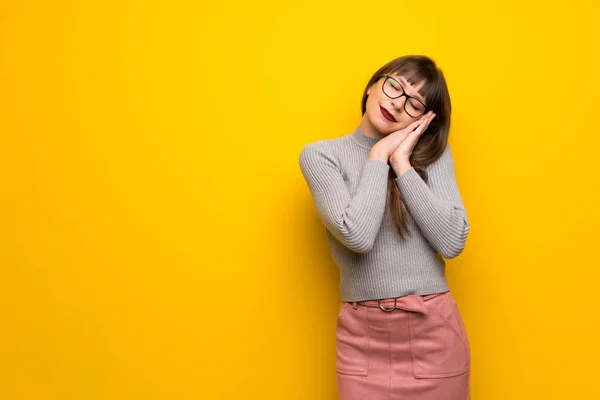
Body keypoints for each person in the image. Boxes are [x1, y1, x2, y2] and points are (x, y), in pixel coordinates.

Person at [298, 55, 471, 400]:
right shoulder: (321, 156)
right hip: (362, 339)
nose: (397, 103)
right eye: (394, 86)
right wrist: (378, 157)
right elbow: (356, 236)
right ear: (372, 85)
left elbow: (452, 240)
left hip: (433, 332)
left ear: (423, 120)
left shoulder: (432, 155)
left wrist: (402, 163)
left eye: (414, 104)